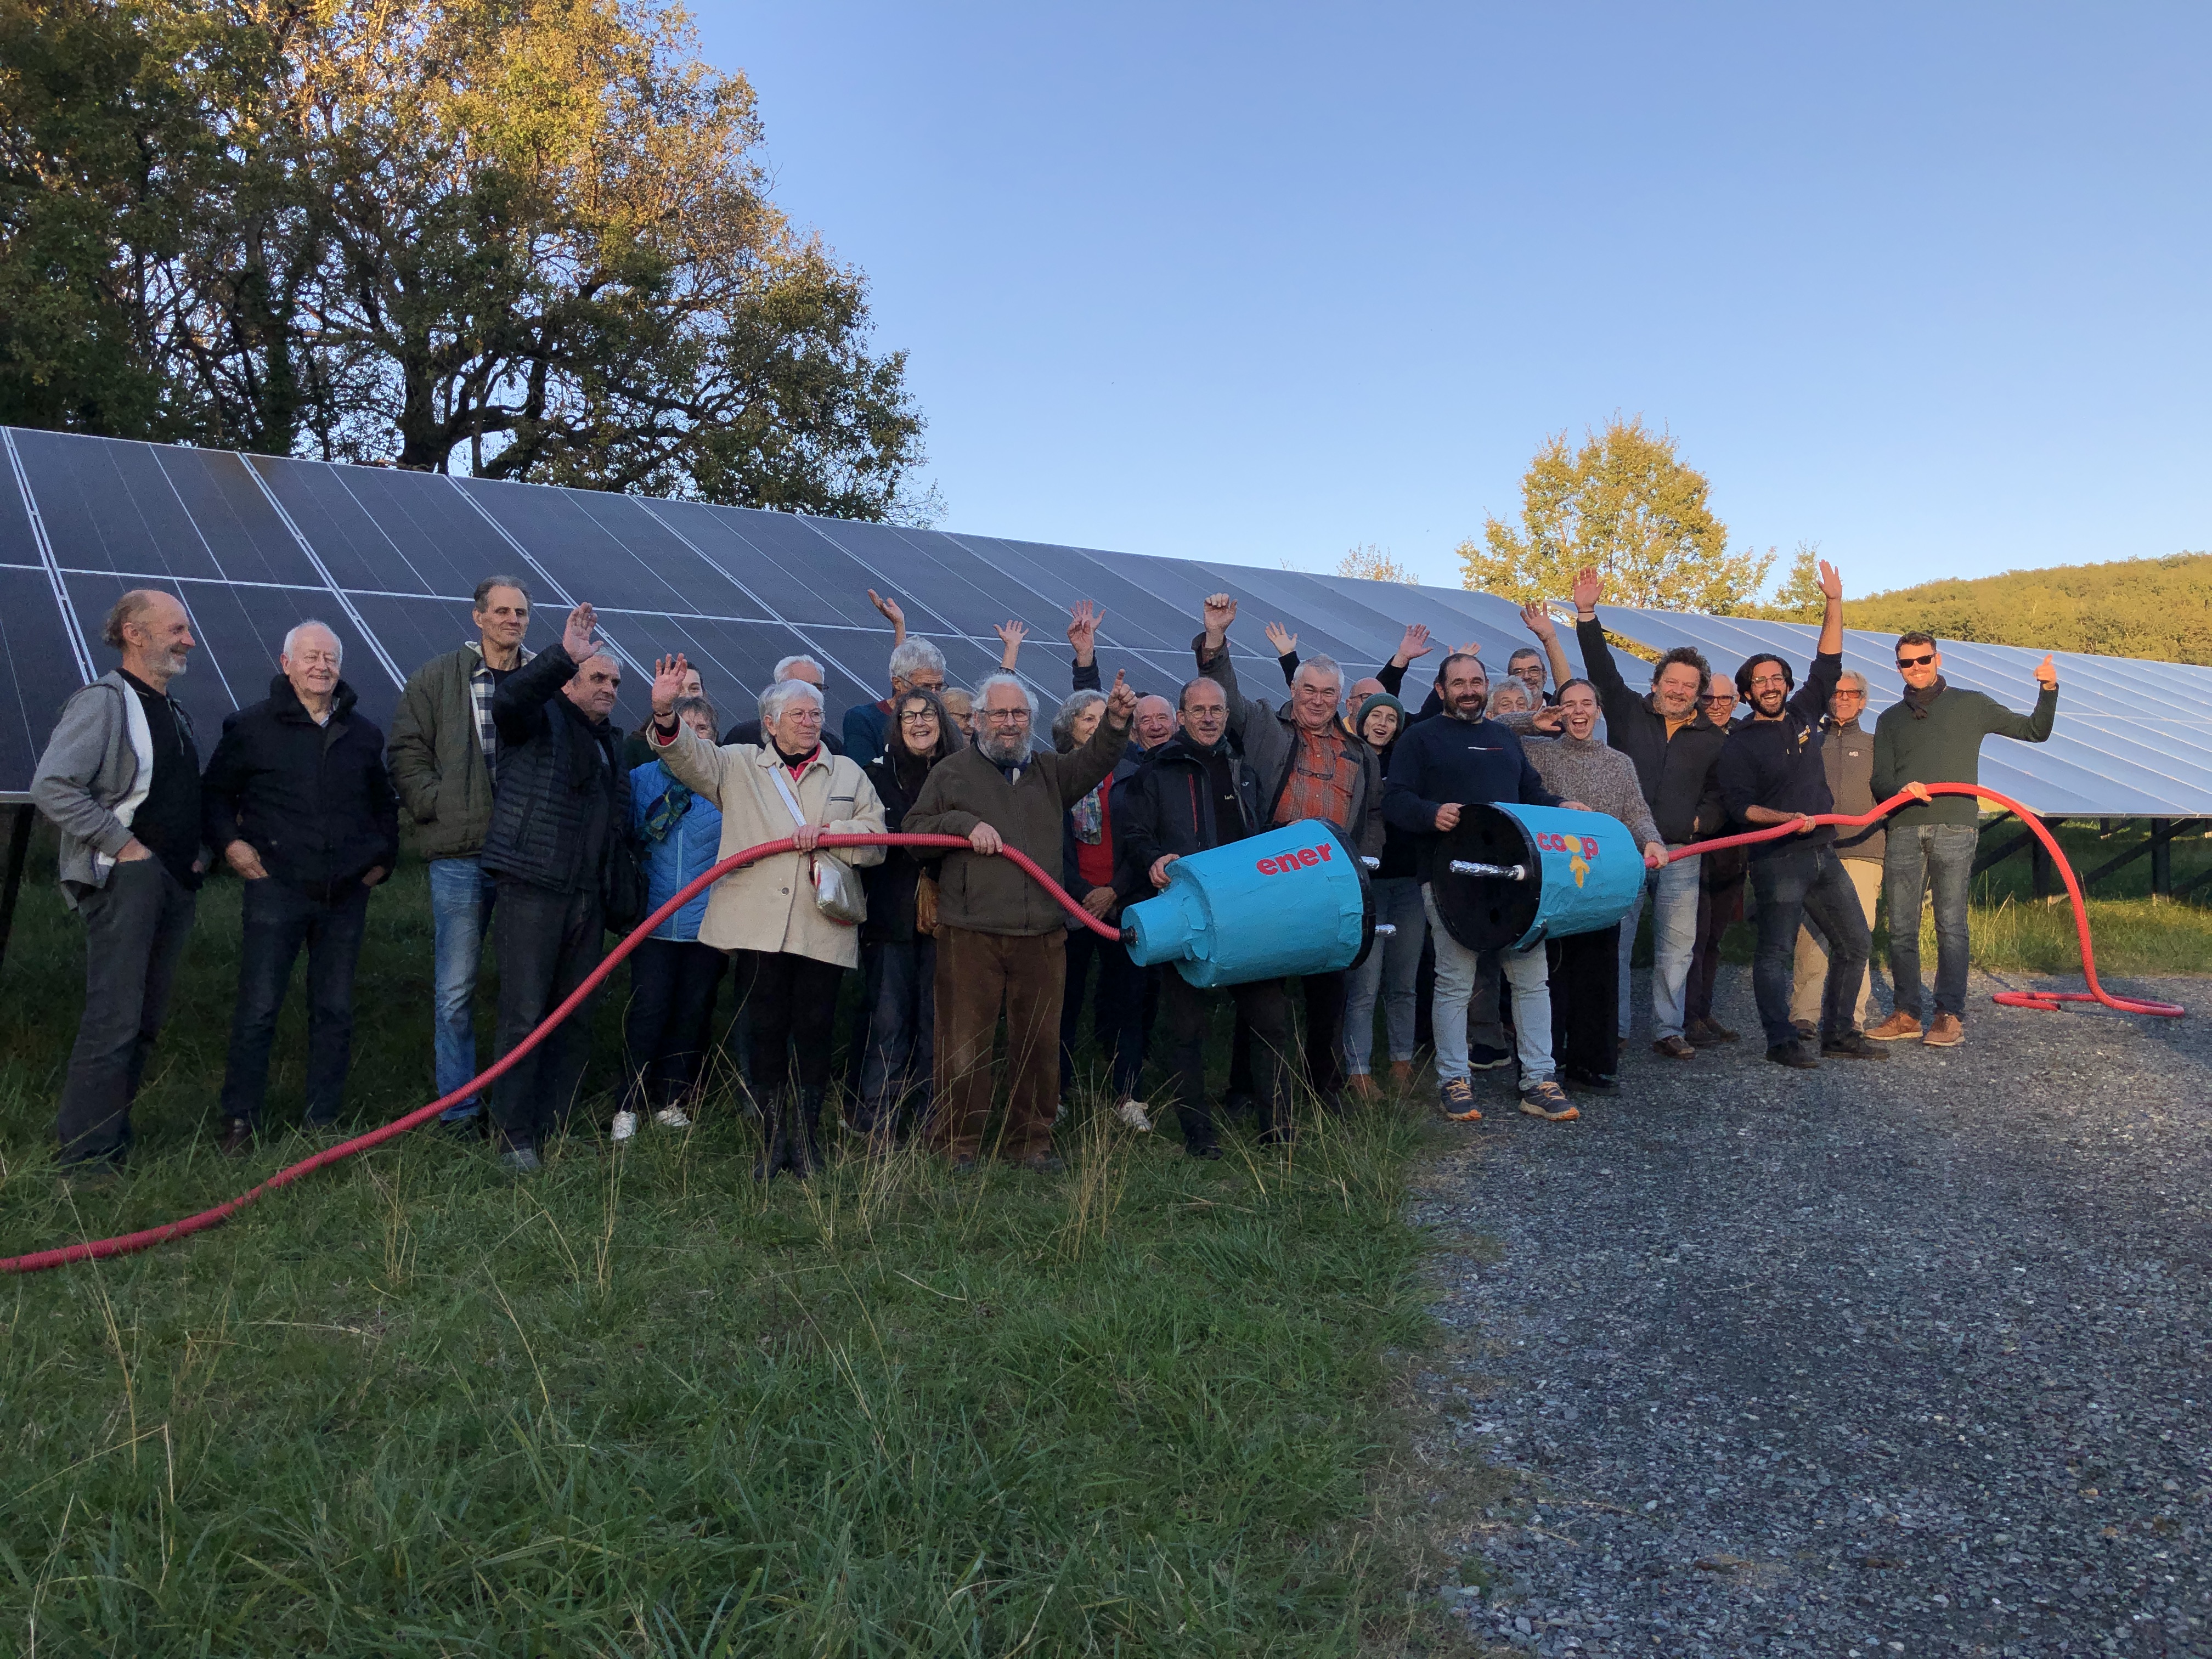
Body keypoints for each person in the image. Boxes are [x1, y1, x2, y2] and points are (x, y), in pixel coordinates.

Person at [648, 659, 887, 1177]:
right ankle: (772, 1139)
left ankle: (806, 1141)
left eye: (816, 713)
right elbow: (688, 757)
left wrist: (833, 833)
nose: (810, 721)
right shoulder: (737, 765)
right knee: (765, 1030)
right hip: (757, 928)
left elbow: (876, 843)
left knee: (816, 1030)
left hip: (821, 926)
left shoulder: (848, 772)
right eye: (798, 713)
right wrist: (666, 714)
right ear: (770, 724)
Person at [904, 670, 1136, 1171]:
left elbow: (1096, 759)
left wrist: (1116, 720)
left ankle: (1030, 1145)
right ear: (979, 721)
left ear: (1031, 721)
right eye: (1000, 714)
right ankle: (956, 1145)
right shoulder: (951, 773)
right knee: (963, 1045)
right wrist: (963, 825)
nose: (1010, 724)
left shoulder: (1051, 772)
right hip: (971, 931)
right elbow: (914, 834)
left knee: (1039, 1047)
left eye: (1020, 715)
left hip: (1042, 934)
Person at [201, 622, 397, 1152]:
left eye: (330, 658)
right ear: (286, 663)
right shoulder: (250, 727)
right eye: (310, 656)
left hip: (345, 895)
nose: (322, 666)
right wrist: (232, 846)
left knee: (333, 1009)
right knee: (260, 1007)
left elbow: (383, 805)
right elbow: (215, 795)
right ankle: (239, 1121)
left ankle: (322, 1120)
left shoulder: (363, 734)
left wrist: (384, 858)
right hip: (277, 889)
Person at [31, 589, 206, 1178]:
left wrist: (195, 857)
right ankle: (85, 1157)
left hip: (173, 882)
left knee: (145, 1018)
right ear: (135, 633)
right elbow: (53, 785)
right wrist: (123, 847)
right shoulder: (105, 702)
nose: (188, 640)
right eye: (177, 629)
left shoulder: (171, 708)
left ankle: (113, 1135)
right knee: (114, 1017)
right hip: (127, 881)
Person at [1194, 594, 1385, 1110]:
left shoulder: (1359, 753)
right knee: (1262, 985)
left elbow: (1372, 816)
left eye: (1327, 693)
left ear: (1339, 698)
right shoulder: (1264, 728)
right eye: (1309, 690)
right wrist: (1215, 638)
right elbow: (1225, 698)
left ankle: (1325, 1088)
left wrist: (1366, 861)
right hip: (1275, 874)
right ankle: (1246, 1090)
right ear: (1293, 690)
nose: (1317, 701)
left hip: (1333, 879)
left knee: (1330, 992)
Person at [1383, 652, 1580, 1121]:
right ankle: (1454, 1080)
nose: (1469, 690)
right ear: (1440, 690)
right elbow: (1395, 800)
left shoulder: (1504, 739)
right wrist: (1431, 814)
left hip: (1516, 881)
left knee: (1531, 980)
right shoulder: (1419, 739)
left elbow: (1530, 794)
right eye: (1459, 683)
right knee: (1454, 981)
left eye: (1477, 681)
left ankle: (1539, 1081)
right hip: (1450, 878)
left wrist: (1562, 805)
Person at [1715, 560, 1887, 1070]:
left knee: (1856, 943)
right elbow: (1739, 807)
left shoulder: (1807, 712)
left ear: (1787, 685)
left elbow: (1828, 661)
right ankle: (1780, 1040)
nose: (1769, 685)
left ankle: (1838, 1033)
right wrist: (1785, 817)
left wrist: (1833, 602)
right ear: (1747, 694)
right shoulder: (1739, 745)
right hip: (1778, 860)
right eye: (1758, 681)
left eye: (1776, 678)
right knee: (1775, 953)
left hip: (1823, 855)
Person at [479, 603, 633, 1171]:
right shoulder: (537, 721)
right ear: (569, 683)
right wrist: (563, 654)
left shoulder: (607, 742)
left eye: (616, 682)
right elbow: (511, 700)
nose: (610, 688)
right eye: (598, 677)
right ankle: (514, 1137)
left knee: (574, 1016)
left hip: (585, 899)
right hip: (533, 886)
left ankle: (557, 1127)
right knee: (524, 1014)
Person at [1553, 569, 1729, 1062]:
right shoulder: (1628, 713)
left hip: (1680, 854)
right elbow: (1600, 667)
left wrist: (1700, 825)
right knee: (1617, 941)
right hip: (1622, 851)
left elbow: (1720, 796)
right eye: (1670, 681)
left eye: (1687, 686)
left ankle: (1668, 1029)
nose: (1677, 690)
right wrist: (1587, 615)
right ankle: (1615, 1026)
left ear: (1698, 693)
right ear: (1655, 683)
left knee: (1677, 947)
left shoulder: (1713, 740)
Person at [1115, 675, 1289, 1155]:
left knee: (1271, 1019)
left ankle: (1278, 1129)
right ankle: (1198, 1134)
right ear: (1183, 716)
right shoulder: (1158, 770)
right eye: (1199, 710)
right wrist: (1153, 857)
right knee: (1187, 1028)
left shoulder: (1243, 770)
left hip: (1245, 915)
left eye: (1217, 709)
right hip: (1186, 914)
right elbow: (1132, 833)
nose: (1209, 717)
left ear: (1225, 716)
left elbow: (1256, 836)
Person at [388, 574, 534, 1136]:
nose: (511, 620)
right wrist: (436, 804)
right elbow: (405, 750)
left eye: (520, 612)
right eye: (500, 610)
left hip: (525, 855)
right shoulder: (436, 678)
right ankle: (459, 1108)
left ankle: (521, 1101)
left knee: (526, 988)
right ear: (478, 616)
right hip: (460, 853)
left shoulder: (542, 679)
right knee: (455, 989)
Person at [1868, 633, 2058, 1048]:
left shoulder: (1971, 704)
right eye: (1907, 663)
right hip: (1903, 828)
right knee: (1901, 927)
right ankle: (1906, 1013)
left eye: (1923, 659)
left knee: (1950, 924)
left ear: (1938, 658)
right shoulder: (1889, 719)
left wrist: (2047, 689)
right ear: (1897, 667)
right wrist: (1903, 787)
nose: (1916, 668)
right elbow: (1880, 781)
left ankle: (1949, 1015)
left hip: (1956, 826)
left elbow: (2035, 730)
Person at [1513, 681, 1666, 1101]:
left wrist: (1651, 839)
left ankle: (1591, 1066)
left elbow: (1637, 812)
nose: (1578, 712)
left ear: (1599, 710)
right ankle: (1546, 1066)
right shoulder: (1537, 751)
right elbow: (1493, 730)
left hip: (1602, 885)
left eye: (1586, 704)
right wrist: (1532, 718)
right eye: (1569, 705)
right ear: (1558, 711)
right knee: (1551, 977)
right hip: (1554, 885)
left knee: (1598, 976)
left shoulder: (1619, 763)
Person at [614, 695, 727, 1144]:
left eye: (705, 730)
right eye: (688, 727)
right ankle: (628, 1102)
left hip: (707, 923)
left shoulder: (725, 786)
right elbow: (620, 837)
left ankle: (672, 1100)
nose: (696, 736)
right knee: (648, 1010)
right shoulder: (640, 780)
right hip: (652, 921)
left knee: (691, 1012)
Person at [857, 685, 958, 1144]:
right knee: (889, 1021)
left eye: (928, 714)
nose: (919, 723)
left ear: (943, 722)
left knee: (938, 1022)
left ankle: (932, 1124)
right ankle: (879, 1124)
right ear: (896, 728)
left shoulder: (962, 772)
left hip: (951, 915)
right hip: (890, 915)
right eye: (909, 716)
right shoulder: (874, 775)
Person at [1052, 687, 1150, 1129]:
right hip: (1071, 904)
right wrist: (1083, 891)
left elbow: (1145, 837)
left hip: (1122, 902)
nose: (1096, 727)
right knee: (1062, 1001)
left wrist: (1113, 890)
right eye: (1087, 720)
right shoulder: (1053, 774)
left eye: (1102, 719)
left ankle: (1128, 1095)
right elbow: (1050, 845)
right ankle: (1055, 1092)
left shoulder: (1134, 772)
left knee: (1128, 1000)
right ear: (1069, 728)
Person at [1788, 672, 1883, 1038]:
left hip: (1863, 850)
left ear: (1863, 700)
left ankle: (1850, 1018)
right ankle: (1805, 1014)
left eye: (1852, 693)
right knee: (1811, 935)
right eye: (1836, 691)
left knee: (1857, 936)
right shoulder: (1808, 741)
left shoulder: (1877, 744)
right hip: (1816, 849)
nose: (1843, 698)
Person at [1339, 692, 1425, 1098]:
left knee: (1404, 981)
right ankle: (1358, 1069)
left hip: (1408, 881)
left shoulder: (1408, 766)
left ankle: (1402, 1062)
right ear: (1361, 720)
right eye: (1376, 715)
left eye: (1392, 717)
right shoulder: (1349, 760)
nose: (1383, 723)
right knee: (1365, 983)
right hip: (1366, 884)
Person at [1684, 676, 1748, 1046]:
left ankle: (1704, 1011)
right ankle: (1687, 1015)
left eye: (1725, 698)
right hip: (1699, 844)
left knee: (1714, 938)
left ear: (1737, 700)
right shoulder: (1691, 734)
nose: (1717, 703)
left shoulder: (1744, 735)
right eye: (1709, 697)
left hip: (1734, 849)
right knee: (1695, 935)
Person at [1265, 619, 1434, 734]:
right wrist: (1288, 656)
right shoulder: (1331, 732)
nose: (1373, 707)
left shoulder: (1394, 742)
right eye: (1366, 698)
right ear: (1349, 705)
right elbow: (1309, 689)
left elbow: (1425, 722)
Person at [844, 602, 946, 766]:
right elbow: (864, 775)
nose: (933, 695)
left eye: (939, 687)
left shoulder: (944, 723)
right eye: (926, 687)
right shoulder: (864, 720)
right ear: (898, 683)